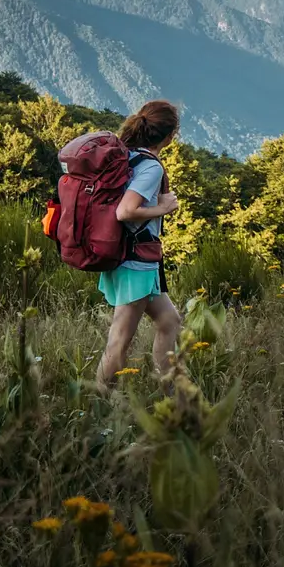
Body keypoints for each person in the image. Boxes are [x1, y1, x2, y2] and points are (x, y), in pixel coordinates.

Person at [95, 99, 183, 391]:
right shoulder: (151, 168)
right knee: (119, 341)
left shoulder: (127, 156)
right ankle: (97, 404)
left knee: (169, 320)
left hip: (132, 256)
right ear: (170, 136)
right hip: (135, 261)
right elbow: (125, 211)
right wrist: (163, 208)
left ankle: (169, 391)